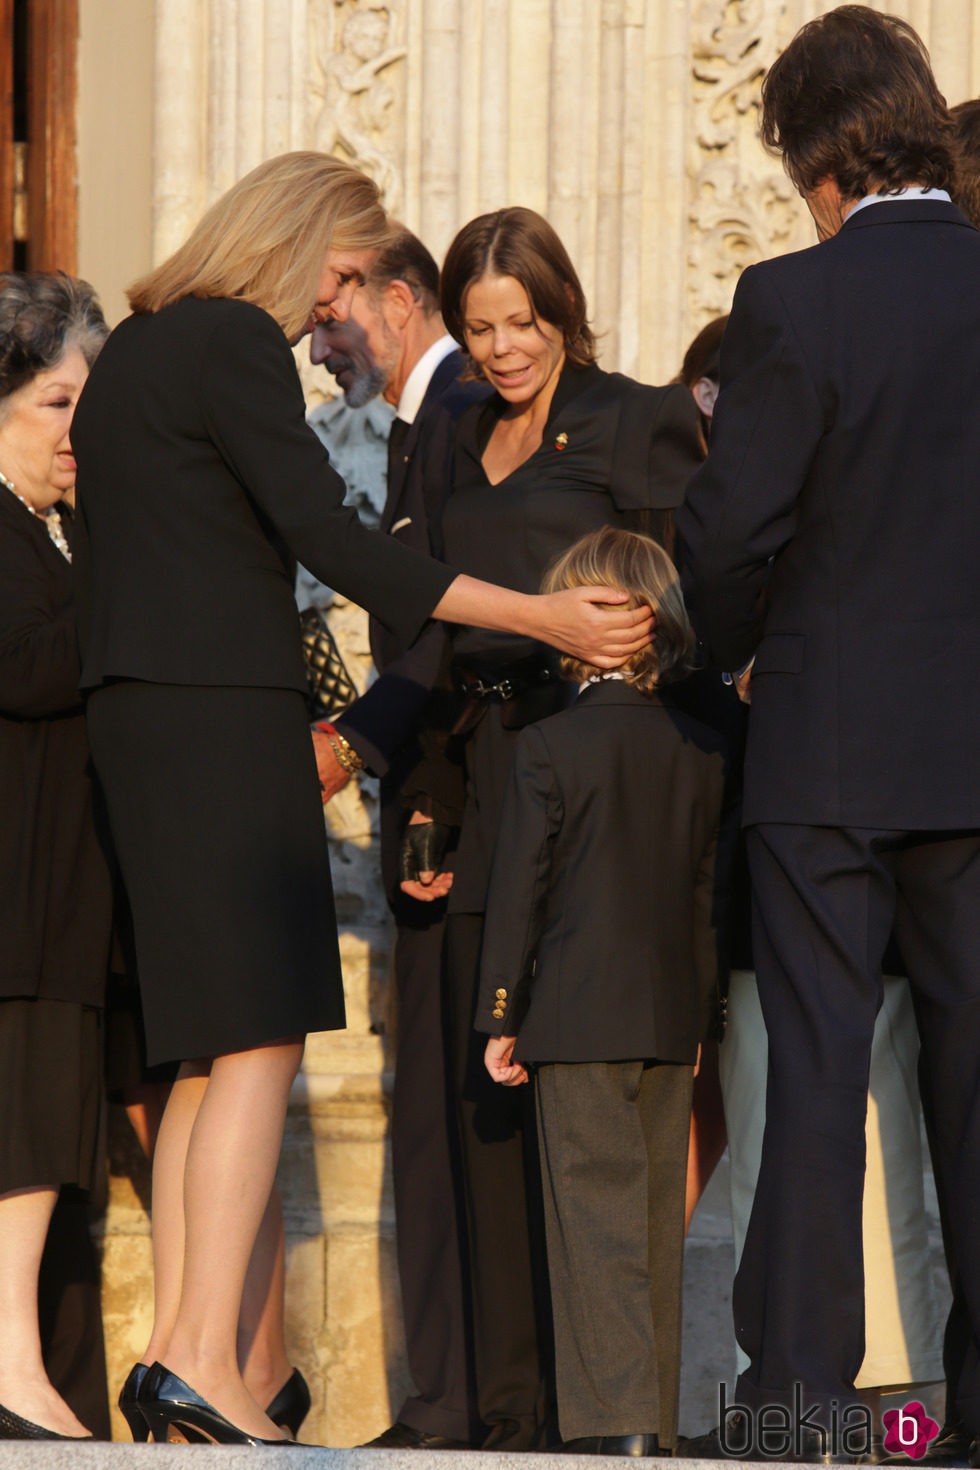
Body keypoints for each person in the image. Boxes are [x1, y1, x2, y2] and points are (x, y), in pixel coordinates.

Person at [70, 152, 650, 1449]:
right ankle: (206, 1364)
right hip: (219, 718)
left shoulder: (135, 354)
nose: (330, 306)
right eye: (336, 273)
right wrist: (542, 611)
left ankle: (178, 1350)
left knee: (198, 1054)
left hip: (138, 722)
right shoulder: (228, 344)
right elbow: (338, 544)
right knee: (264, 1039)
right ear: (293, 243)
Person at [676, 8, 980, 1461]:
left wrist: (737, 659)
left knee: (815, 1069)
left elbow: (728, 533)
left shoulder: (793, 300)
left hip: (827, 744)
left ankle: (795, 1391)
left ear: (817, 153)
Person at [405, 205, 702, 1452]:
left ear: (559, 309)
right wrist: (420, 786)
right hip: (478, 780)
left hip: (599, 793)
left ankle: (616, 1415)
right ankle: (508, 1409)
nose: (501, 350)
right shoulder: (450, 428)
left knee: (590, 1117)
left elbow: (687, 599)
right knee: (485, 1102)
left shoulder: (634, 416)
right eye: (477, 330)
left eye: (519, 323)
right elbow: (413, 611)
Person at [478, 526, 728, 1456]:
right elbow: (705, 890)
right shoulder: (702, 749)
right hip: (670, 1022)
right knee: (657, 1224)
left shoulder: (549, 747)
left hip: (576, 1018)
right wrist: (703, 1015)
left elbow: (520, 895)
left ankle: (616, 1428)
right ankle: (652, 1426)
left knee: (594, 1225)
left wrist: (499, 1013)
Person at [309, 224, 489, 1451]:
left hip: (458, 810)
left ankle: (464, 1403)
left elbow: (449, 626)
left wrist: (346, 747)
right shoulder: (427, 419)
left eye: (334, 306)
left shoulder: (466, 410)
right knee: (427, 1112)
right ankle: (449, 1399)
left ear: (402, 297)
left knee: (455, 1117)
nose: (318, 336)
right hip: (431, 804)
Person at [0, 271, 112, 1442]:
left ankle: (30, 1368)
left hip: (60, 893)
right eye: (54, 404)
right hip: (16, 890)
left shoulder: (60, 530)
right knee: (20, 1128)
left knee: (45, 1130)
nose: (78, 433)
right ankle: (13, 1373)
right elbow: (24, 668)